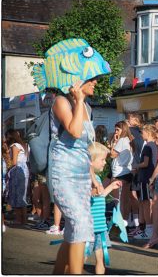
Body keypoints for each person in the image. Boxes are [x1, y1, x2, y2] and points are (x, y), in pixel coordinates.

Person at [49, 79, 101, 274]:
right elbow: (75, 131)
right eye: (90, 78)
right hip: (63, 172)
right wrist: (78, 100)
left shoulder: (87, 106)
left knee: (73, 229)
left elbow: (85, 149)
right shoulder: (62, 102)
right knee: (79, 223)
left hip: (81, 174)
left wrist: (93, 177)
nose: (95, 81)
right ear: (76, 80)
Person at [85, 142, 122, 274]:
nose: (105, 163)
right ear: (91, 162)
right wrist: (92, 192)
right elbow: (86, 197)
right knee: (81, 257)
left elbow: (100, 196)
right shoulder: (86, 180)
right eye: (102, 159)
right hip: (88, 227)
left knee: (100, 259)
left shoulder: (99, 179)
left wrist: (111, 187)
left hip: (100, 227)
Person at [131, 124, 157, 240]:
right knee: (144, 203)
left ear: (149, 133)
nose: (141, 134)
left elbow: (145, 163)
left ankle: (148, 229)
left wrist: (135, 165)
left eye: (143, 132)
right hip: (148, 177)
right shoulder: (154, 146)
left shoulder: (147, 147)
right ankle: (143, 228)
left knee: (146, 204)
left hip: (145, 177)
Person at [110, 121, 134, 226]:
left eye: (117, 130)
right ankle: (125, 220)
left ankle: (120, 222)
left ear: (123, 130)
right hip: (127, 171)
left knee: (118, 200)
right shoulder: (129, 140)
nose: (116, 132)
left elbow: (112, 154)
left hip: (119, 172)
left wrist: (114, 142)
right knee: (125, 199)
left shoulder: (122, 140)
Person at [5, 129, 29, 225]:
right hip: (24, 169)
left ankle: (19, 219)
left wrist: (7, 168)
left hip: (17, 171)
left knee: (16, 195)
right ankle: (24, 220)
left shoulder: (14, 146)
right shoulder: (24, 145)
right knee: (22, 196)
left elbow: (14, 162)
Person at [126, 112, 145, 232]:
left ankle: (137, 221)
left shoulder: (131, 131)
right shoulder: (140, 132)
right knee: (136, 194)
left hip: (134, 165)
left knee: (132, 195)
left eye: (128, 119)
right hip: (139, 164)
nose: (126, 121)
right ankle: (135, 220)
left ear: (135, 120)